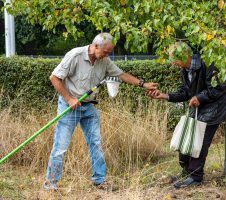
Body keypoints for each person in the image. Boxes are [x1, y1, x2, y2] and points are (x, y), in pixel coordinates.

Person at [44, 32, 158, 190]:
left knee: (96, 143)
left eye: (109, 52)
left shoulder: (104, 60)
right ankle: (50, 186)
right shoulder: (75, 55)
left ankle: (99, 180)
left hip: (89, 106)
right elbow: (54, 77)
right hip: (69, 107)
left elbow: (120, 74)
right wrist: (69, 99)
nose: (107, 55)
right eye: (106, 52)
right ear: (95, 46)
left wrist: (143, 84)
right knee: (60, 147)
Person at [148, 42, 226, 188]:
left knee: (199, 141)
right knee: (187, 138)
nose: (172, 63)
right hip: (200, 107)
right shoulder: (185, 69)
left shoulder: (209, 62)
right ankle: (187, 172)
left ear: (184, 55)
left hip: (216, 107)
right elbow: (186, 92)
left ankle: (195, 177)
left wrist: (199, 97)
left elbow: (219, 88)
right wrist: (164, 95)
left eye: (174, 59)